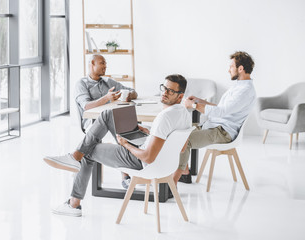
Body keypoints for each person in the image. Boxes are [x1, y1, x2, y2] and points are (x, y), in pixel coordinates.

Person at [44, 74, 192, 217]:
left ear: (180, 96)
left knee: (89, 149)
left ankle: (73, 203)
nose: (165, 93)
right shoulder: (185, 114)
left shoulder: (164, 117)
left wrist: (126, 144)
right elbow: (182, 148)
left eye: (170, 91)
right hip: (163, 162)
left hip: (141, 161)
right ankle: (75, 158)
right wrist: (150, 134)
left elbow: (148, 157)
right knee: (108, 115)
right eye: (164, 88)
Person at [174, 51, 256, 184]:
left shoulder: (245, 91)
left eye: (231, 66)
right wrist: (200, 101)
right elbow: (221, 107)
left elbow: (221, 112)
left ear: (240, 69)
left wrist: (194, 106)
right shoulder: (239, 86)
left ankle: (173, 183)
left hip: (223, 132)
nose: (229, 69)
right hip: (214, 126)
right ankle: (184, 171)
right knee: (177, 131)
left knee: (185, 140)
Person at [75, 54, 138, 189]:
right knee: (122, 128)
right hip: (92, 123)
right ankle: (128, 173)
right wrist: (106, 98)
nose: (105, 66)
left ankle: (128, 172)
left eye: (105, 63)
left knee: (127, 126)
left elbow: (133, 92)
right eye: (102, 63)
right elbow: (86, 106)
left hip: (112, 120)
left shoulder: (108, 82)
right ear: (92, 64)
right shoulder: (81, 83)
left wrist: (128, 95)